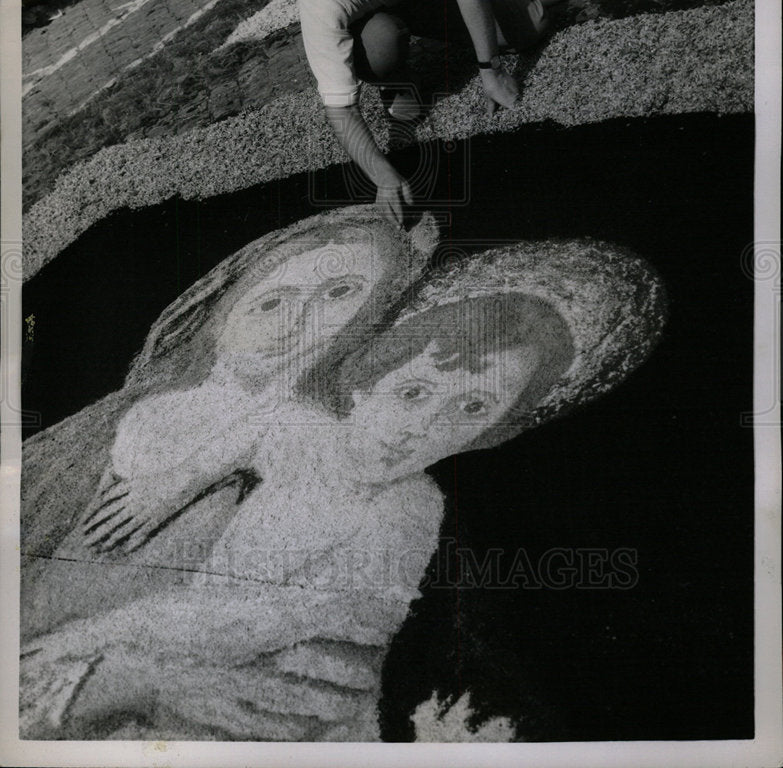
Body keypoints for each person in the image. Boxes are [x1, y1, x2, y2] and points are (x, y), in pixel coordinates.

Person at [19, 232, 666, 741]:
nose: (423, 425)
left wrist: (96, 637)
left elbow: (266, 618)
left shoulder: (409, 507)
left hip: (297, 691)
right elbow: (250, 433)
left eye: (470, 410)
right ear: (365, 379)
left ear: (493, 432)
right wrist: (175, 480)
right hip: (194, 640)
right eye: (412, 392)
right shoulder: (307, 429)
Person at [286, 0, 571, 227]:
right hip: (374, 24)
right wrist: (383, 176)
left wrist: (491, 70)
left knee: (529, 30)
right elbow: (339, 106)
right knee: (381, 42)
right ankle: (396, 79)